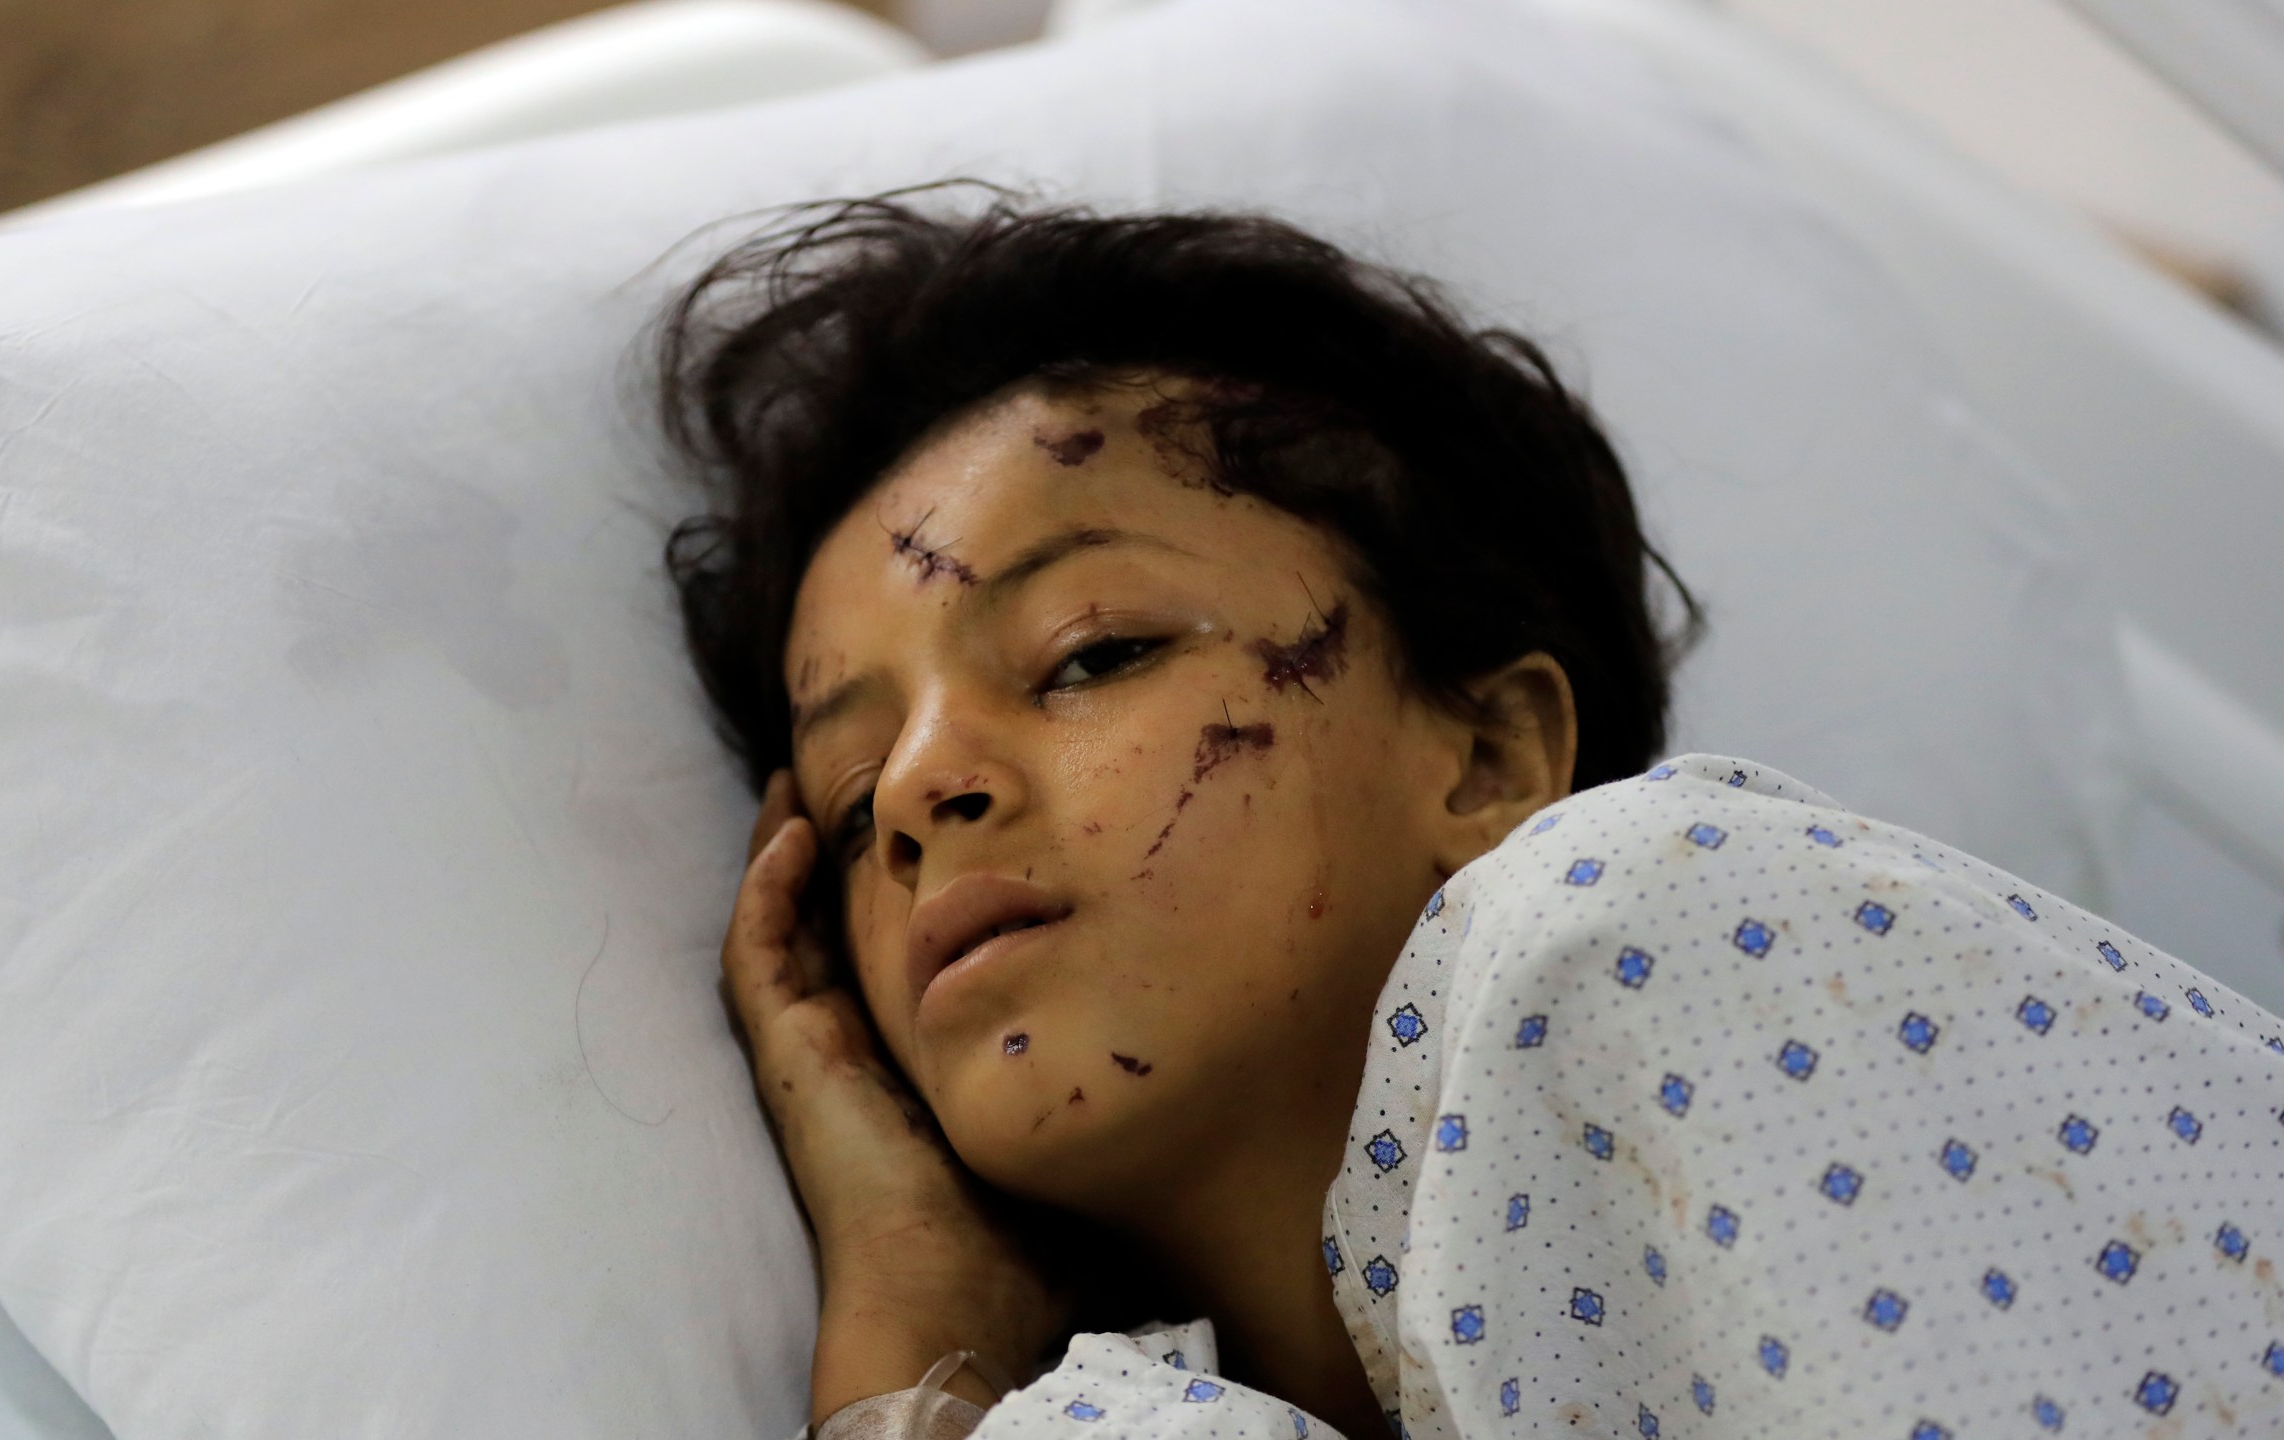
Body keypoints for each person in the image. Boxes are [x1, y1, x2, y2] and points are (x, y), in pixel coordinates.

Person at [657, 188, 2284, 1440]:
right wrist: (915, 1319)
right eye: (854, 802)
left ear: (1489, 754)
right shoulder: (1122, 1406)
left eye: (1093, 653)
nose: (932, 791)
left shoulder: (1642, 927)